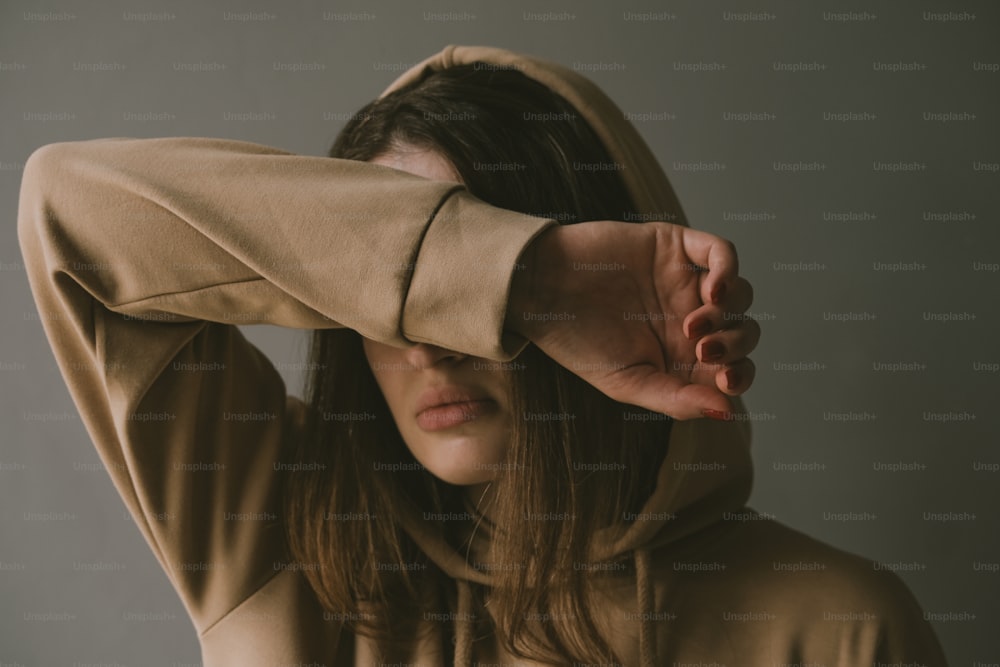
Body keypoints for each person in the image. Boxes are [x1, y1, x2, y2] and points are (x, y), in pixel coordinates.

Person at [17, 45, 946, 666]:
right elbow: (71, 210)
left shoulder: (833, 623)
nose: (425, 340)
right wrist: (526, 281)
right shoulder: (287, 545)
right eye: (398, 292)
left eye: (466, 302)